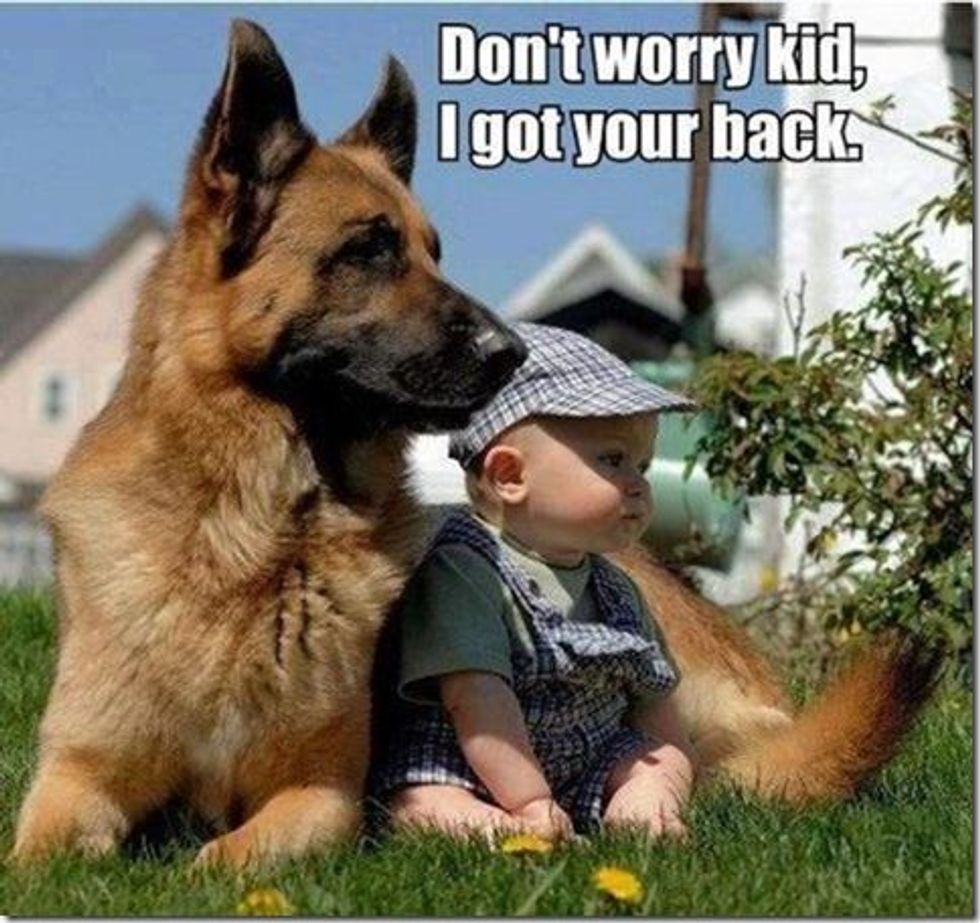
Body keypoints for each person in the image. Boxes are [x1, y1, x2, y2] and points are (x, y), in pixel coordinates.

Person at [371, 322, 698, 841]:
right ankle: (494, 825)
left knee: (659, 760)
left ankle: (643, 816)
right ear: (510, 476)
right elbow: (474, 698)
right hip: (469, 761)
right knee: (422, 802)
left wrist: (665, 771)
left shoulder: (616, 589)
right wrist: (530, 800)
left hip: (587, 757)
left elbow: (656, 703)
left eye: (643, 464)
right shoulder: (465, 569)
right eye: (613, 460)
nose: (639, 484)